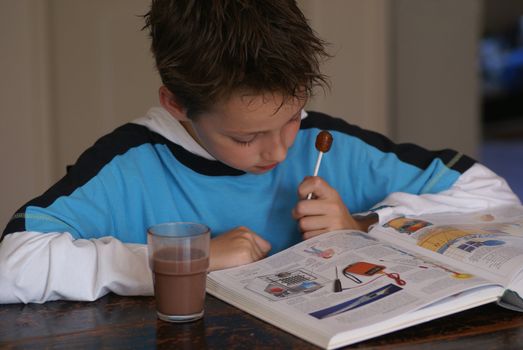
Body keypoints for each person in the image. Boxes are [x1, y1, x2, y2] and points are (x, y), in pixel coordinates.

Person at [0, 0, 520, 304]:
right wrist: (182, 259)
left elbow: (491, 195)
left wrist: (362, 227)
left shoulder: (327, 143)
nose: (278, 150)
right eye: (245, 138)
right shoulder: (128, 165)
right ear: (177, 104)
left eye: (293, 117)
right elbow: (11, 267)